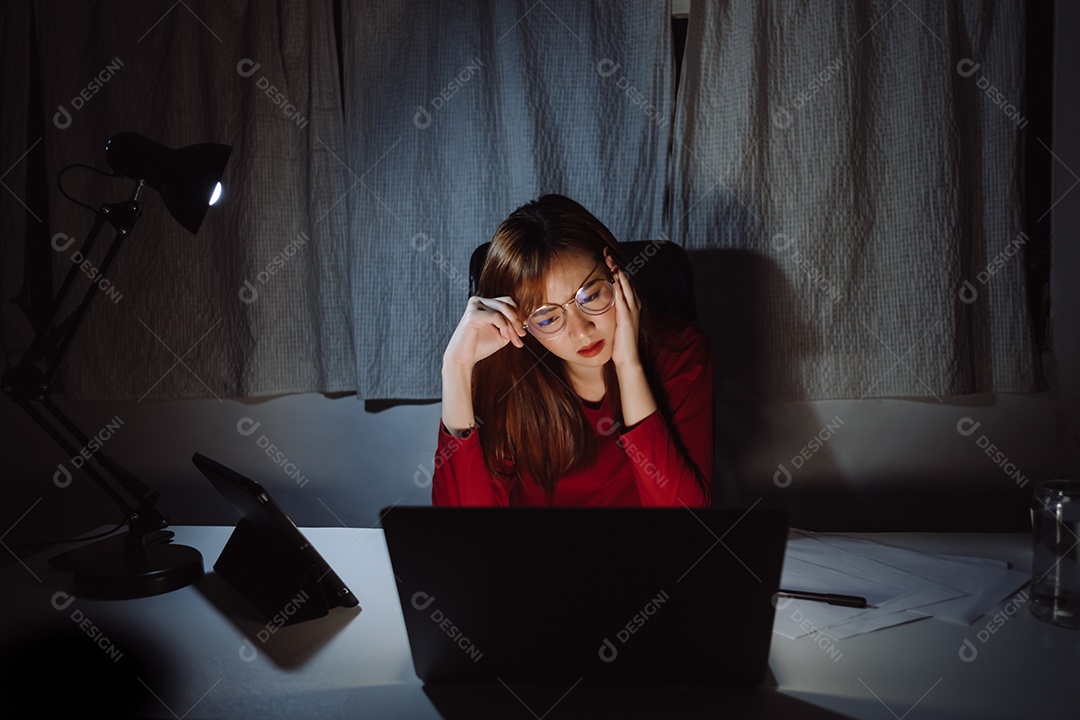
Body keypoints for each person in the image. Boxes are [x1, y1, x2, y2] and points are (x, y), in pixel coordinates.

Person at [433, 194, 713, 507]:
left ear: (617, 276)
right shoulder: (505, 373)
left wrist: (628, 366)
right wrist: (455, 368)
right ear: (522, 322)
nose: (582, 330)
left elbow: (687, 522)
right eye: (549, 317)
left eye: (591, 295)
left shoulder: (680, 353)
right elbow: (463, 532)